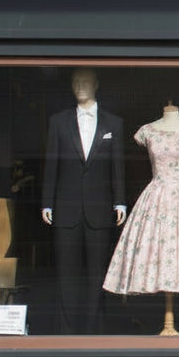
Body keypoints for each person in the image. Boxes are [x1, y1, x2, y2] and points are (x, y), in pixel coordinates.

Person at [102, 103, 179, 322]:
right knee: (154, 249)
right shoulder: (146, 131)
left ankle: (175, 317)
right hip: (155, 195)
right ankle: (163, 314)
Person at [41, 68, 126, 334]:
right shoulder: (58, 121)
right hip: (65, 208)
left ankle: (94, 332)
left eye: (86, 81)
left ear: (96, 84)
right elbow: (51, 162)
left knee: (96, 275)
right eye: (76, 81)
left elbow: (118, 165)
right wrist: (47, 202)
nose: (80, 85)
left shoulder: (114, 124)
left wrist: (120, 201)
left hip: (100, 210)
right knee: (66, 275)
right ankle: (65, 333)